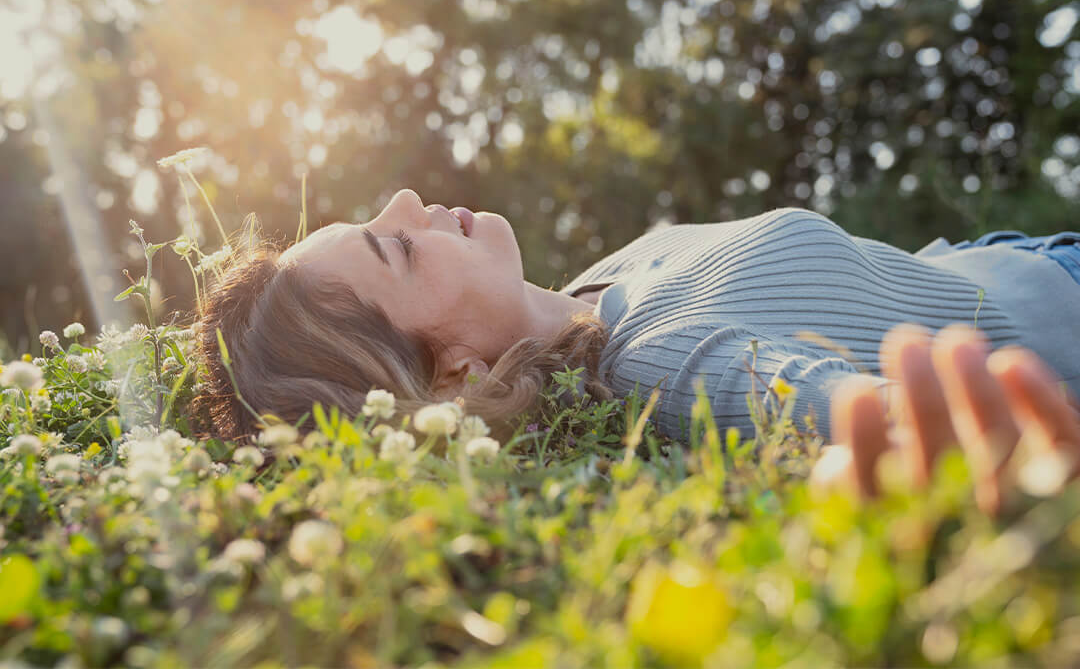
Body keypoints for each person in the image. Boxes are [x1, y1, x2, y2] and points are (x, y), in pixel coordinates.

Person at [194, 189, 1080, 511]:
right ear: (453, 371)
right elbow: (836, 409)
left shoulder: (594, 287)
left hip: (1006, 255)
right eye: (395, 246)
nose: (405, 199)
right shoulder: (656, 362)